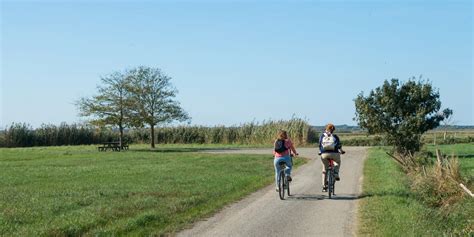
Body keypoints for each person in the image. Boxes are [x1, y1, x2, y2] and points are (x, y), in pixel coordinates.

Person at [319, 123, 345, 192]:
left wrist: (320, 151)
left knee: (324, 169)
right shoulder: (335, 136)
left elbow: (320, 144)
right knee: (338, 162)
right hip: (335, 154)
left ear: (326, 128)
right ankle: (336, 172)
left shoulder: (322, 135)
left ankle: (324, 187)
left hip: (324, 154)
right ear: (333, 130)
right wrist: (342, 151)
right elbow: (339, 145)